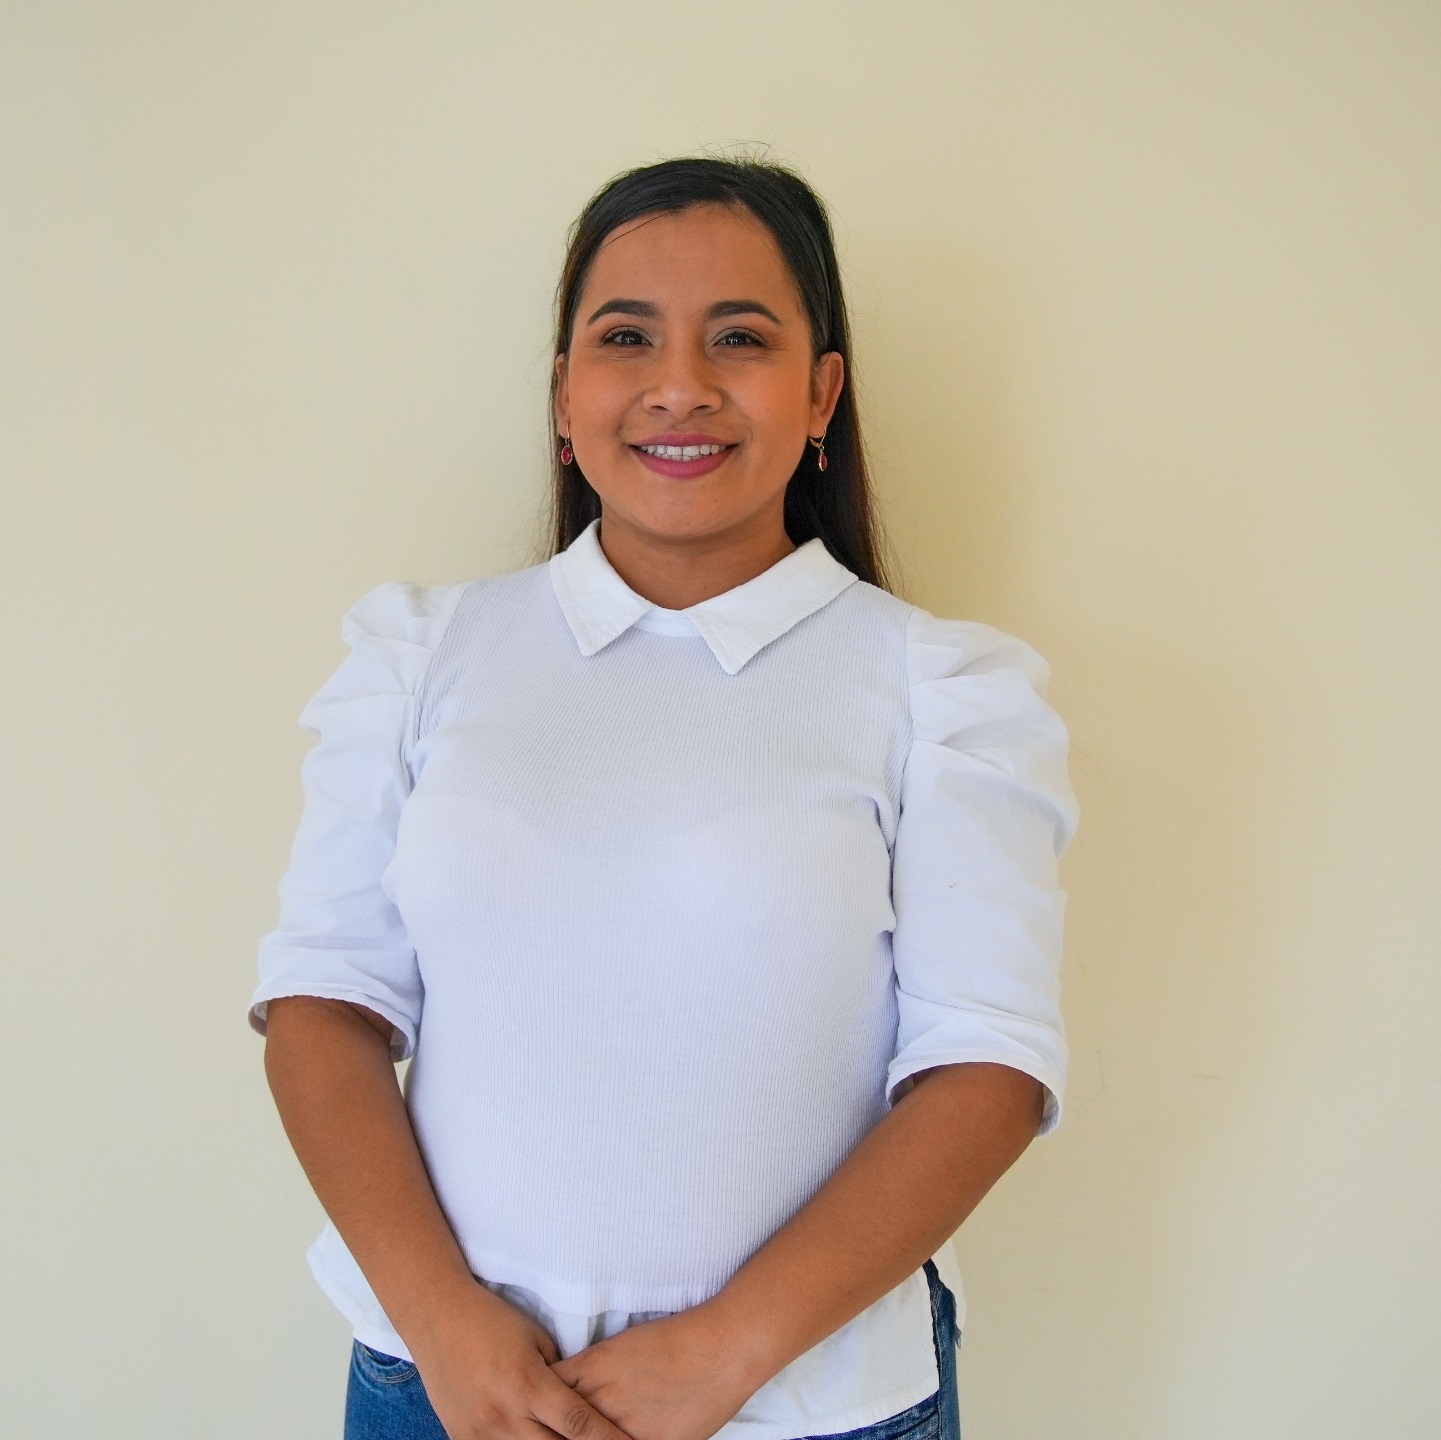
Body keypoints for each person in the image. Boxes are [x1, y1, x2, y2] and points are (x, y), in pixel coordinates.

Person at [251, 155, 1079, 1440]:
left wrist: (719, 1356)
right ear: (563, 393)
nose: (678, 385)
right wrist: (445, 1328)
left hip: (803, 1405)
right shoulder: (418, 652)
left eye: (738, 338)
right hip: (442, 1389)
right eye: (625, 337)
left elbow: (986, 1066)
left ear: (821, 393)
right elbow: (323, 1006)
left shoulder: (942, 689)